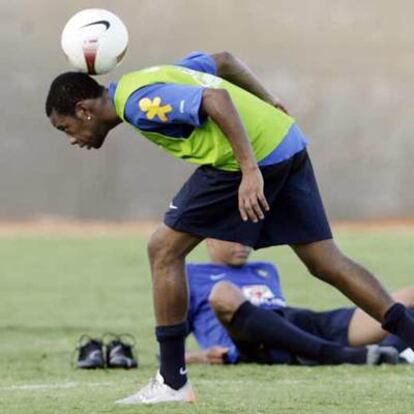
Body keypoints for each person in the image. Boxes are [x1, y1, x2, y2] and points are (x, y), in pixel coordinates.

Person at [45, 51, 414, 404]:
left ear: (84, 110)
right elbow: (222, 59)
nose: (72, 139)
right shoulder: (148, 77)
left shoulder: (137, 104)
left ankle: (172, 383)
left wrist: (249, 170)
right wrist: (270, 100)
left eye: (67, 128)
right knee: (326, 263)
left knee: (162, 249)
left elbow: (215, 98)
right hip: (285, 141)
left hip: (250, 160)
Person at [186, 239, 414, 366]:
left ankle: (397, 353)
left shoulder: (265, 269)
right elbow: (173, 332)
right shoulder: (191, 274)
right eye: (234, 236)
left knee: (410, 296)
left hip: (292, 326)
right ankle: (335, 354)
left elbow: (277, 316)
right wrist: (198, 357)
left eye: (248, 233)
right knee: (223, 292)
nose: (244, 243)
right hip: (250, 342)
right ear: (209, 237)